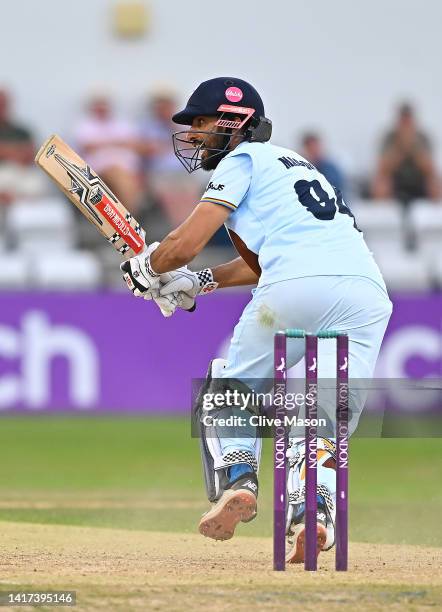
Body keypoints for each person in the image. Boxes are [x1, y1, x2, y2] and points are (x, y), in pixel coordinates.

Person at [120, 77, 392, 564]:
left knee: (229, 388)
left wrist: (149, 268)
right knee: (321, 413)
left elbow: (184, 241)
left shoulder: (242, 160)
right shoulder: (295, 166)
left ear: (235, 124)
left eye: (203, 123)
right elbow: (259, 262)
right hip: (366, 296)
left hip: (294, 288)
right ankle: (315, 515)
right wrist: (197, 282)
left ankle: (239, 479)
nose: (195, 133)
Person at [73, 92, 142, 213]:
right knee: (120, 179)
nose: (102, 108)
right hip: (99, 171)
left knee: (122, 181)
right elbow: (87, 146)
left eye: (104, 104)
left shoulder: (122, 124)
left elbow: (134, 145)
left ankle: (124, 218)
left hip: (126, 170)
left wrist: (104, 143)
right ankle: (129, 217)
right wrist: (117, 142)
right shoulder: (86, 126)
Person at [371, 102, 441, 205]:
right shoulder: (389, 137)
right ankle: (381, 214)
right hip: (396, 181)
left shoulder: (423, 137)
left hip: (419, 180)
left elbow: (430, 168)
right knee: (381, 183)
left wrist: (414, 147)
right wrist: (400, 148)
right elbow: (382, 168)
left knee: (434, 183)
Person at [301, 131, 346, 196]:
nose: (314, 151)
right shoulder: (301, 169)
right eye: (310, 148)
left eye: (315, 147)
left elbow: (338, 187)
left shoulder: (331, 168)